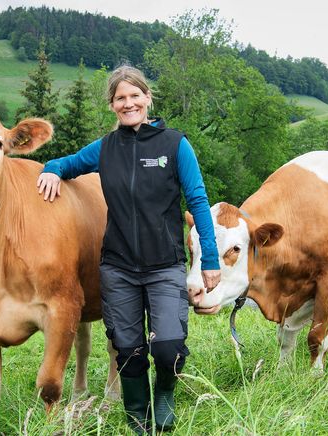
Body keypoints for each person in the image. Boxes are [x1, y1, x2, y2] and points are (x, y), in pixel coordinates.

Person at [36, 65, 220, 433]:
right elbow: (66, 163)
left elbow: (198, 201)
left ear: (147, 98)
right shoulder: (105, 148)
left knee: (167, 347)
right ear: (112, 105)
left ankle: (165, 394)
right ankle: (138, 417)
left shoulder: (175, 144)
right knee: (128, 350)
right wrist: (51, 170)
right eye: (120, 98)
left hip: (165, 264)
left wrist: (210, 261)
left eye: (135, 95)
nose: (128, 103)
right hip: (118, 268)